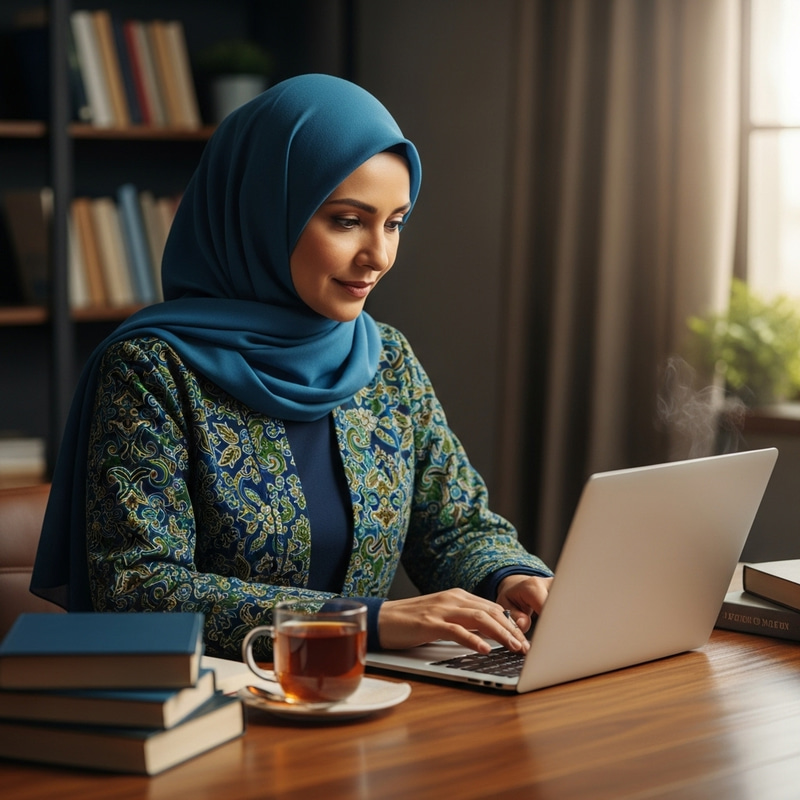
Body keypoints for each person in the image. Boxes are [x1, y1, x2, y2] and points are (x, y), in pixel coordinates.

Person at [31, 74, 553, 661]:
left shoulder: (387, 361)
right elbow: (138, 588)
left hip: (363, 702)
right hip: (213, 712)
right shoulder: (152, 371)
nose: (378, 256)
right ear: (265, 212)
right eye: (348, 220)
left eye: (395, 222)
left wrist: (513, 578)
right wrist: (365, 622)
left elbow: (454, 525)